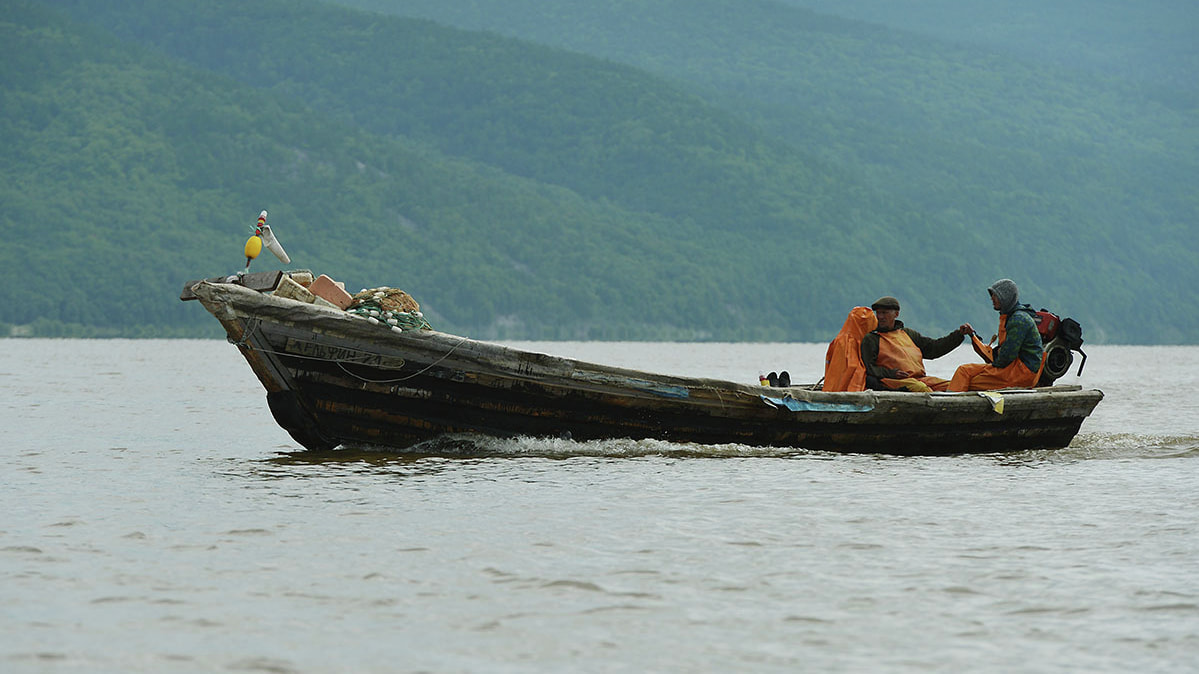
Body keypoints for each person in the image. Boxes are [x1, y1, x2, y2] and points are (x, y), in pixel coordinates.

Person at [948, 279, 1044, 391]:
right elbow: (1003, 355)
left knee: (968, 378)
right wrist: (973, 335)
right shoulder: (1010, 317)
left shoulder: (1018, 320)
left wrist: (990, 368)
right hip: (1012, 369)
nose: (992, 298)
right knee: (964, 371)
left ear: (1006, 297)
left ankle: (947, 405)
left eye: (995, 295)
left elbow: (1007, 356)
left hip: (1020, 373)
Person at [861, 296, 970, 392]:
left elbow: (934, 349)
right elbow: (868, 368)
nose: (880, 316)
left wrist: (959, 334)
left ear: (896, 314)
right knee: (920, 388)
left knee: (953, 385)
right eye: (878, 313)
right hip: (892, 381)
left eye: (884, 313)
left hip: (920, 379)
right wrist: (892, 373)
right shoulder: (872, 339)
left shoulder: (908, 334)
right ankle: (937, 411)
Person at [822, 306, 877, 391]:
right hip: (845, 390)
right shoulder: (849, 342)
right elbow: (852, 367)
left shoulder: (839, 340)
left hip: (831, 387)